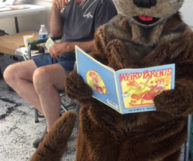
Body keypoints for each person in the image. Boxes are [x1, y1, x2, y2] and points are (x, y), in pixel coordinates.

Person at [3, 0, 117, 148]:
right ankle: (58, 122)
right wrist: (54, 7)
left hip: (83, 61)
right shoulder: (70, 3)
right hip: (61, 56)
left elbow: (104, 42)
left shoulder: (103, 4)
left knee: (41, 76)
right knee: (12, 73)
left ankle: (55, 135)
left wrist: (68, 46)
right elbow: (56, 32)